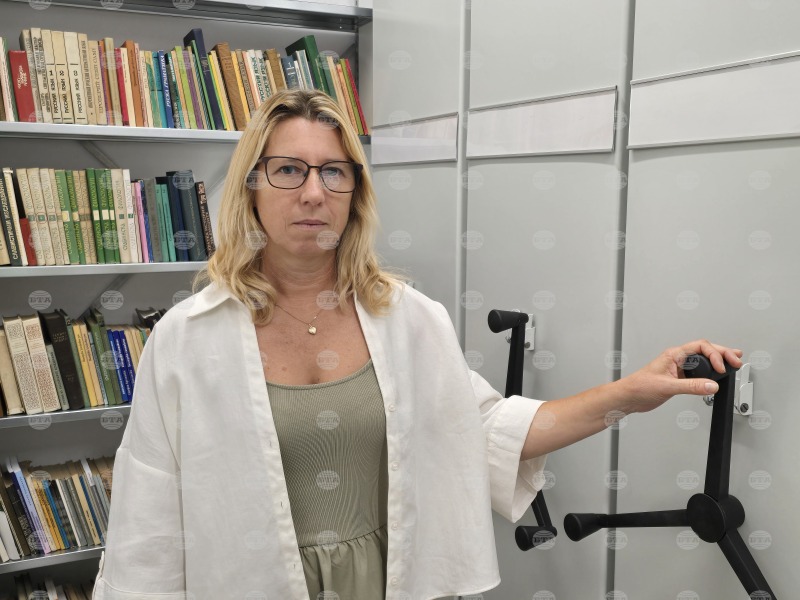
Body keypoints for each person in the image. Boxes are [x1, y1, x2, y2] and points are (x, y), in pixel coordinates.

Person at [91, 89, 743, 600]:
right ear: (251, 187)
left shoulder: (409, 320)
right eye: (288, 170)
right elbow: (149, 524)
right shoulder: (187, 338)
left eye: (334, 173)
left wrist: (629, 394)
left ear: (355, 193)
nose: (314, 192)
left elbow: (489, 431)